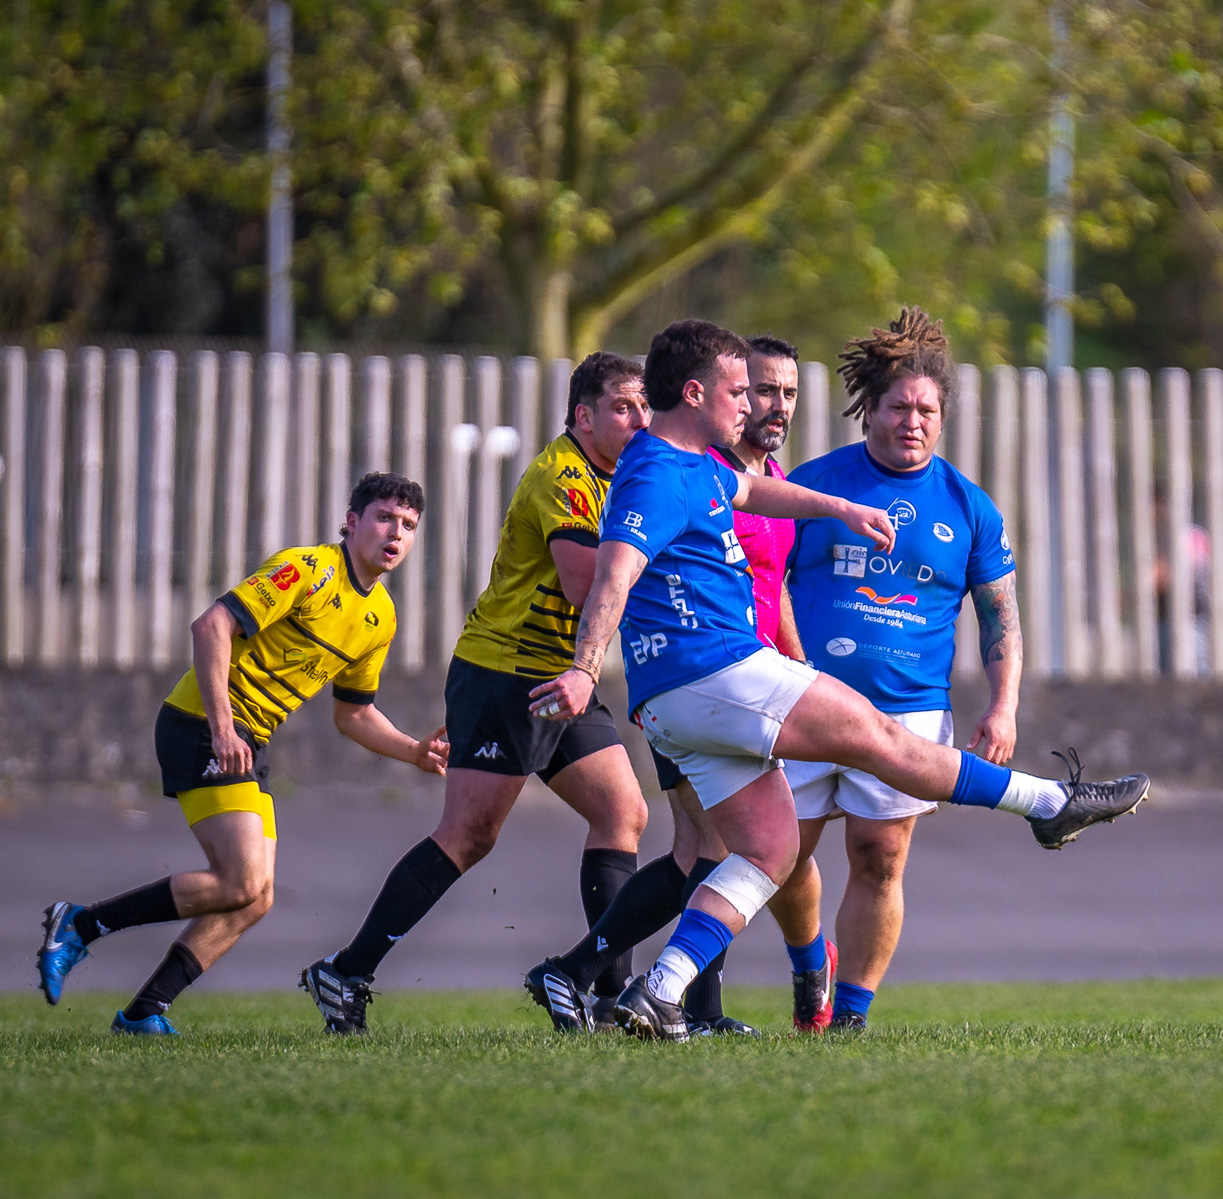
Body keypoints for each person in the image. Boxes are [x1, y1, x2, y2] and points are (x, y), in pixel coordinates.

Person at [527, 318, 1151, 1042]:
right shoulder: (659, 471)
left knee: (768, 850)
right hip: (717, 670)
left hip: (681, 703)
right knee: (882, 738)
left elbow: (757, 497)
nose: (751, 406)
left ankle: (659, 990)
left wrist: (845, 509)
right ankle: (1051, 804)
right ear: (695, 394)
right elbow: (614, 573)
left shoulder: (695, 462)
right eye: (739, 391)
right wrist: (581, 669)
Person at [300, 354, 652, 1034]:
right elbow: (588, 586)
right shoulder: (565, 475)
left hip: (562, 672)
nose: (639, 420)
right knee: (468, 834)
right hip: (508, 673)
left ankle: (608, 996)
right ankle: (346, 971)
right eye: (622, 407)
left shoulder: (627, 476)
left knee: (624, 811)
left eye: (644, 407)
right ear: (584, 415)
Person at [37, 474, 445, 1034]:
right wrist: (225, 727)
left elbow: (353, 714)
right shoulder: (308, 569)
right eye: (382, 518)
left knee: (255, 898)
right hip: (200, 725)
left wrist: (415, 752)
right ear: (351, 522)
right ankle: (80, 926)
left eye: (408, 525)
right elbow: (211, 626)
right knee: (240, 880)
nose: (394, 532)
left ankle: (143, 1012)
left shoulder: (381, 617)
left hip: (245, 740)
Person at [524, 334, 803, 1036]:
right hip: (699, 682)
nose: (769, 406)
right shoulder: (690, 469)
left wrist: (798, 663)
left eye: (785, 393)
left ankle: (587, 973)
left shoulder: (765, 478)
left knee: (702, 851)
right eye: (758, 390)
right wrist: (590, 666)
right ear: (710, 394)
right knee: (714, 848)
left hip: (760, 683)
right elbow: (626, 572)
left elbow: (774, 589)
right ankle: (650, 993)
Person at [762, 307, 1022, 1033]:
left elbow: (1000, 617)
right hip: (806, 699)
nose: (914, 420)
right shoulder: (812, 489)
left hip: (907, 711)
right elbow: (761, 579)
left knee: (879, 856)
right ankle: (811, 958)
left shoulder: (969, 508)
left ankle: (848, 1017)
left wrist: (1003, 706)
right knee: (779, 854)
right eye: (900, 406)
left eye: (927, 410)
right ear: (868, 409)